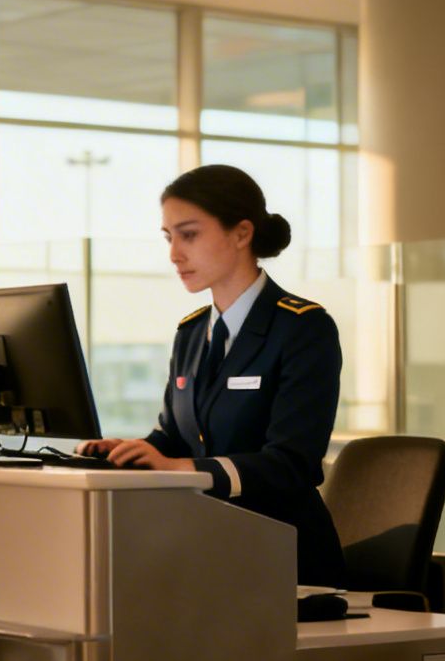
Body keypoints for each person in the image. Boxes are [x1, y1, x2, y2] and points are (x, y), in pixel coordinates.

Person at [78, 164, 345, 586]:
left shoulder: (302, 328)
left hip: (283, 560)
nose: (174, 255)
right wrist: (129, 451)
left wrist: (177, 467)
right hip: (204, 549)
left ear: (242, 233)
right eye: (169, 238)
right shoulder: (190, 333)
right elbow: (172, 436)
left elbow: (292, 464)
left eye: (189, 235)